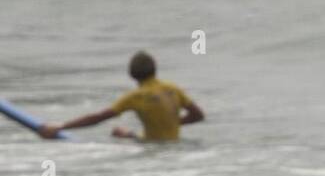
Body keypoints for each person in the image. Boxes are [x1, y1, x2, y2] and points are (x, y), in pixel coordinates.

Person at [39, 51, 203, 142]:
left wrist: (61, 127)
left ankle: (127, 135)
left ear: (132, 75)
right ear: (155, 69)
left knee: (116, 134)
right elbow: (198, 116)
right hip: (175, 147)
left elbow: (98, 118)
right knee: (120, 133)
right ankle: (127, 134)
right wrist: (171, 122)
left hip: (151, 150)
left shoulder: (136, 96)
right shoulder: (173, 89)